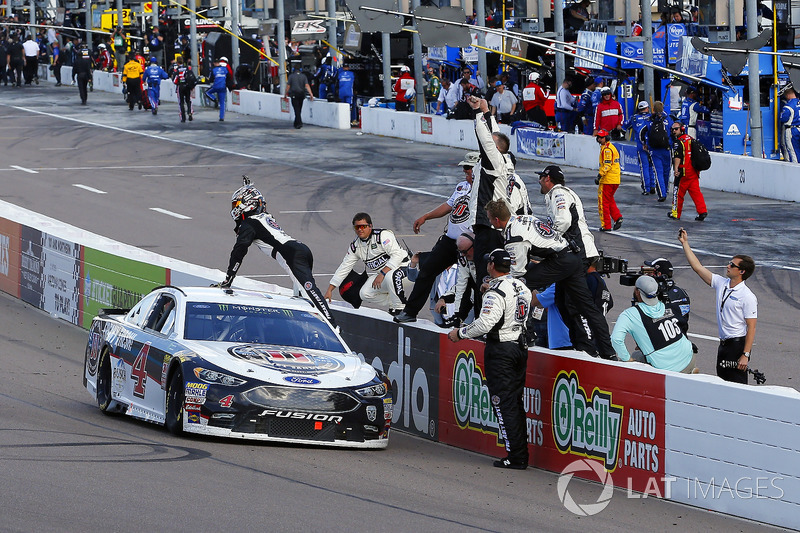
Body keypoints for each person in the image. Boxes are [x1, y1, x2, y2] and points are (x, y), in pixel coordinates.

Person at [486, 200, 616, 359]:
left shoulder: (514, 236)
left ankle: (528, 332)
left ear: (496, 220)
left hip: (560, 261)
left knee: (519, 286)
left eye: (490, 219)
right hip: (572, 257)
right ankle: (603, 351)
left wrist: (495, 284)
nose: (489, 222)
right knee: (577, 306)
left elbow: (517, 273)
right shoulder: (523, 218)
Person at [213, 177, 338, 328]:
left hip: (291, 255)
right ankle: (309, 329)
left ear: (247, 204)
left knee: (310, 292)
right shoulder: (264, 217)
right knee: (301, 297)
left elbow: (239, 251)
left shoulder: (249, 223)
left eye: (236, 204)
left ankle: (333, 327)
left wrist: (228, 279)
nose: (234, 208)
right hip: (299, 249)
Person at [446, 248, 531, 470]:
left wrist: (460, 334)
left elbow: (484, 324)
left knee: (503, 404)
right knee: (515, 402)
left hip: (501, 350)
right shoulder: (522, 287)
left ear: (492, 265)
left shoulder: (496, 293)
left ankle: (516, 456)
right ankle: (520, 453)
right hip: (519, 347)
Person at [394, 152, 478, 323]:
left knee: (473, 282)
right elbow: (448, 206)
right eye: (464, 168)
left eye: (468, 168)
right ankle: (410, 312)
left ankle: (474, 321)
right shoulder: (462, 186)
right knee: (427, 271)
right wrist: (426, 216)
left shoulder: (486, 189)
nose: (465, 171)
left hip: (471, 244)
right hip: (450, 240)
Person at [678, 228, 757, 384]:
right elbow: (698, 268)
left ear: (741, 271)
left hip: (737, 346)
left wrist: (745, 355)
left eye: (732, 265)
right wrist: (685, 243)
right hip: (723, 345)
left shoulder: (747, 296)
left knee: (737, 385)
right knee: (722, 382)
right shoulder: (722, 283)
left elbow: (752, 327)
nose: (727, 266)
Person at [464, 96, 519, 314]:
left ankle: (482, 321)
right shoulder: (504, 158)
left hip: (488, 229)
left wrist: (478, 112)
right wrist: (488, 113)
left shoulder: (495, 161)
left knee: (484, 278)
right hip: (499, 227)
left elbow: (487, 140)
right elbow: (496, 137)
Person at [324, 213, 410, 313]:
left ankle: (401, 308)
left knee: (390, 275)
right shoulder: (355, 246)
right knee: (365, 293)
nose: (360, 229)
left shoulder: (382, 236)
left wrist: (382, 273)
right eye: (357, 227)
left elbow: (397, 255)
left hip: (405, 269)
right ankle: (394, 302)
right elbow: (344, 267)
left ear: (370, 226)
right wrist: (330, 289)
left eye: (363, 226)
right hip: (385, 275)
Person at [611, 275, 696, 372]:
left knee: (636, 355)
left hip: (668, 369)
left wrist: (627, 359)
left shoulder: (630, 314)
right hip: (689, 357)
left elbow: (616, 339)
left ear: (638, 292)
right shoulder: (665, 305)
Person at [537, 164, 599, 265]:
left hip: (579, 247)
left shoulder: (558, 193)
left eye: (541, 178)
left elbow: (564, 221)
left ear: (548, 178)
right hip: (580, 247)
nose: (540, 181)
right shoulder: (559, 193)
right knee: (582, 278)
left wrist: (548, 241)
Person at [436, 232, 477, 327]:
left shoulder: (488, 259)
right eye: (460, 252)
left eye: (465, 252)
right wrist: (457, 316)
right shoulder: (463, 258)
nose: (463, 255)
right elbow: (461, 285)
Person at [669, 121, 707, 221]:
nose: (673, 131)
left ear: (681, 129)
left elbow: (677, 157)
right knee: (696, 193)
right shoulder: (690, 138)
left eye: (676, 129)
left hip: (683, 172)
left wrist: (676, 169)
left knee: (678, 194)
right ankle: (702, 211)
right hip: (693, 171)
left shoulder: (678, 142)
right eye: (672, 129)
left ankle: (675, 213)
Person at [595, 129, 623, 231]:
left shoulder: (607, 149)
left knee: (603, 202)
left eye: (601, 137)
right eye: (598, 137)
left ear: (606, 138)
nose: (599, 139)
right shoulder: (609, 147)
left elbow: (607, 165)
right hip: (615, 179)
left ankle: (606, 225)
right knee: (609, 200)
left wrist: (599, 175)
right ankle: (617, 217)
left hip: (608, 180)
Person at [626, 100, 657, 195]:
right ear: (647, 108)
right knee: (652, 166)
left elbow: (624, 127)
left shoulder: (634, 118)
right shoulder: (652, 118)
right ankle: (653, 186)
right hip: (652, 145)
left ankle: (646, 188)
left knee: (644, 167)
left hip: (641, 146)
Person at [645, 101, 673, 201]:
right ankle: (665, 190)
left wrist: (646, 145)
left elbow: (644, 133)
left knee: (658, 172)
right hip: (667, 149)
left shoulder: (650, 120)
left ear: (653, 109)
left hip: (654, 150)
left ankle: (662, 193)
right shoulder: (668, 119)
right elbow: (673, 133)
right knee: (666, 171)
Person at [208, 57, 234, 122]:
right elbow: (229, 77)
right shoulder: (225, 69)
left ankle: (214, 99)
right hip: (223, 87)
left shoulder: (213, 70)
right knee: (222, 103)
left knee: (207, 92)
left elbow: (210, 79)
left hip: (215, 87)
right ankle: (221, 117)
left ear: (214, 63)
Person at [172, 56, 197, 122]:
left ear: (177, 62)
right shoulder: (187, 68)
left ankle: (183, 117)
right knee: (188, 100)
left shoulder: (177, 70)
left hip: (180, 86)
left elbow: (174, 81)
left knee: (181, 102)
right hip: (188, 86)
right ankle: (190, 112)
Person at [779, 84, 800, 163]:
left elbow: (783, 118)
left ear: (787, 95)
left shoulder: (788, 106)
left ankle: (795, 170)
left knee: (793, 151)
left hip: (792, 130)